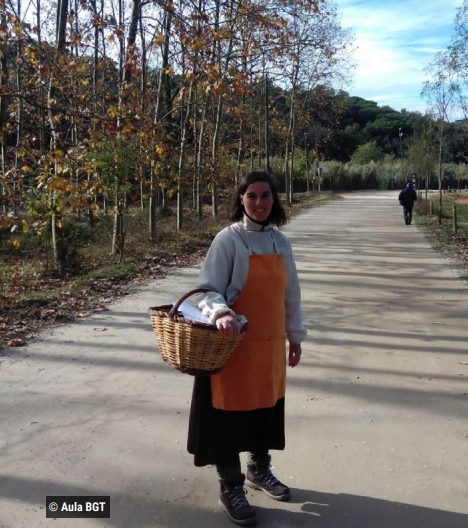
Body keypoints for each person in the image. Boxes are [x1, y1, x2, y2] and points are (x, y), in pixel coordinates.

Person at [187, 171, 307, 526]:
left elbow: (291, 294)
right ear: (240, 199)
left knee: (264, 411)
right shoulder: (228, 240)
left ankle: (259, 469)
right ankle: (230, 484)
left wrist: (295, 336)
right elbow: (207, 288)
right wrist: (221, 311)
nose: (259, 202)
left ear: (275, 200)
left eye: (266, 195)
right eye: (251, 195)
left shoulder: (281, 242)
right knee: (227, 417)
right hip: (231, 346)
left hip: (269, 345)